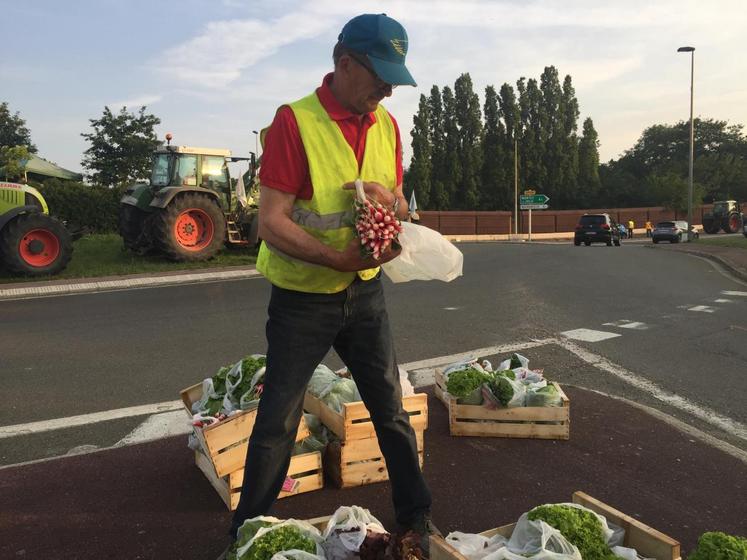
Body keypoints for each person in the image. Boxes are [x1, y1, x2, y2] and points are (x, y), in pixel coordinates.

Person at [219, 13, 435, 559]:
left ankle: (416, 520)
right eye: (380, 74)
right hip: (302, 300)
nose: (388, 88)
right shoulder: (295, 121)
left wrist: (395, 207)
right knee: (277, 424)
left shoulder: (386, 125)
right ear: (344, 63)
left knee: (389, 410)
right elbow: (272, 221)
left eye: (394, 77)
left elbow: (401, 204)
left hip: (365, 296)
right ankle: (248, 536)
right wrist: (339, 257)